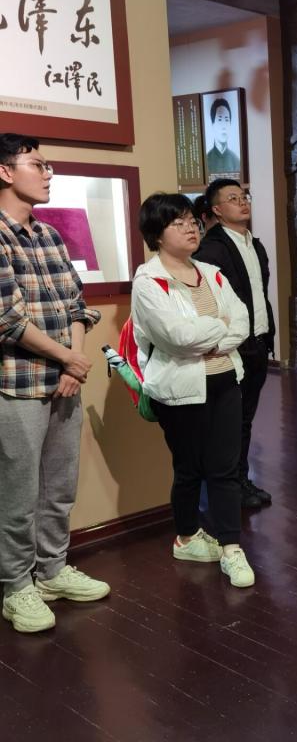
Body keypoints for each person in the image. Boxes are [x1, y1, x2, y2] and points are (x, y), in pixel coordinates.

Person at [0, 133, 109, 634]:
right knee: (18, 493)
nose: (47, 174)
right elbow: (7, 320)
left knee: (60, 487)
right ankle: (16, 586)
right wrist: (68, 357)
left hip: (66, 380)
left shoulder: (49, 235)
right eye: (37, 164)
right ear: (5, 171)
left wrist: (74, 363)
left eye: (48, 166)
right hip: (17, 383)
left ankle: (51, 570)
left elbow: (76, 305)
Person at [131, 192, 255, 588]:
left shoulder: (211, 273)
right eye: (178, 222)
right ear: (157, 234)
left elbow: (242, 321)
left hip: (225, 381)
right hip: (180, 391)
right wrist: (219, 329)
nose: (190, 228)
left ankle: (231, 547)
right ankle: (186, 536)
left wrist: (213, 337)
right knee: (188, 469)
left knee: (225, 469)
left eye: (191, 221)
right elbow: (178, 337)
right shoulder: (148, 282)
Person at [193, 179, 274, 509]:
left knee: (245, 419)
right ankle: (229, 485)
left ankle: (239, 479)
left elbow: (259, 296)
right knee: (229, 423)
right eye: (232, 198)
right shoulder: (211, 249)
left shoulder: (255, 245)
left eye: (244, 196)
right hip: (233, 348)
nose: (242, 202)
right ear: (216, 209)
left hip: (259, 342)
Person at [205, 98, 241, 177]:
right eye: (220, 120)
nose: (224, 126)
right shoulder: (206, 161)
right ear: (213, 124)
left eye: (227, 120)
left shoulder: (236, 161)